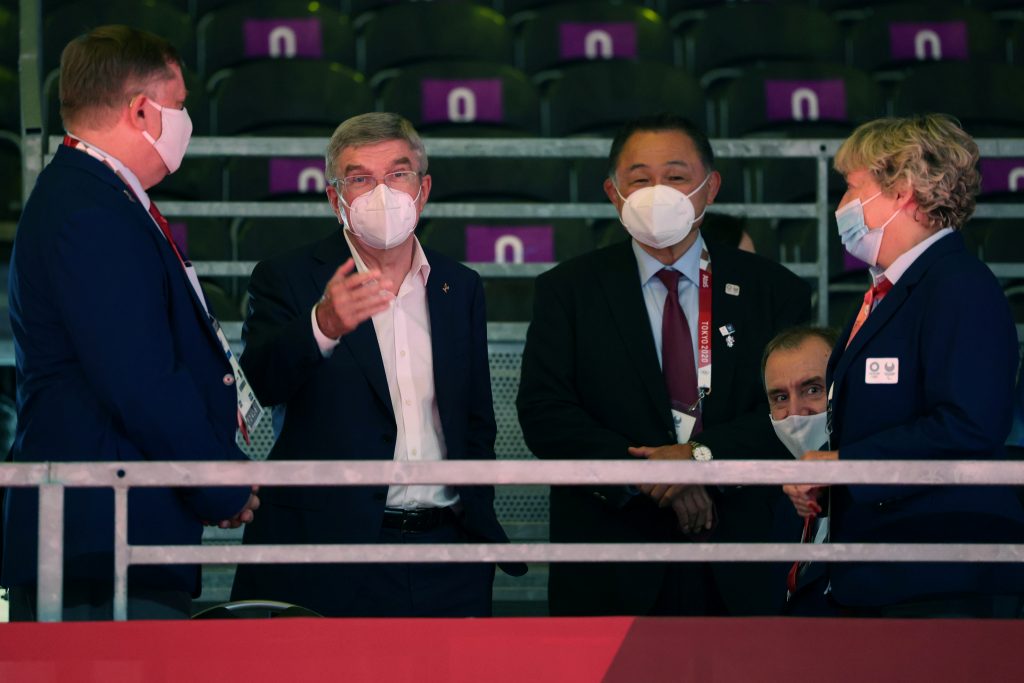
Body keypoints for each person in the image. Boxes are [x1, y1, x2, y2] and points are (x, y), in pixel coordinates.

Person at [2, 25, 258, 621]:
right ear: (142, 109)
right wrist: (218, 481)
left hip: (113, 531)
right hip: (101, 538)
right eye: (180, 104)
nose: (185, 120)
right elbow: (141, 379)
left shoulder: (95, 197)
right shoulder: (89, 210)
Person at [230, 112, 525, 617]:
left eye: (397, 174)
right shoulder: (287, 277)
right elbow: (261, 381)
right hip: (329, 555)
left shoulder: (460, 286)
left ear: (423, 188)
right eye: (360, 179)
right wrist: (322, 325)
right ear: (334, 197)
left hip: (449, 555)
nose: (380, 192)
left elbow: (476, 422)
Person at [516, 113, 811, 616]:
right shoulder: (567, 290)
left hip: (741, 552)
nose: (659, 192)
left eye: (675, 177)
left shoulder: (773, 289)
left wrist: (699, 459)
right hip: (612, 555)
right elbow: (546, 415)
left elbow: (793, 414)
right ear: (613, 193)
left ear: (710, 187)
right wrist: (652, 477)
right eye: (640, 179)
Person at [784, 114, 1024, 618]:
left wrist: (846, 467)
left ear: (902, 192)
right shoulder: (886, 291)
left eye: (853, 187)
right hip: (886, 568)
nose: (843, 205)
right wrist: (831, 480)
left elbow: (970, 425)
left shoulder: (959, 285)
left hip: (939, 572)